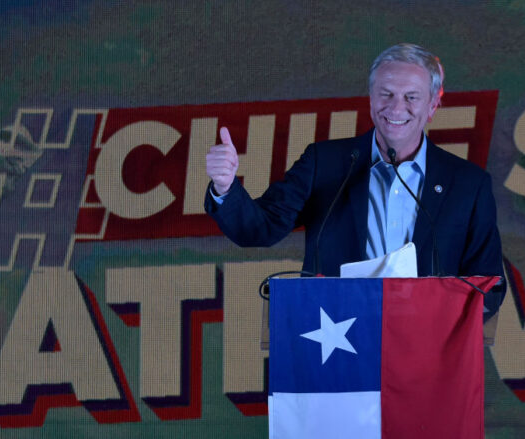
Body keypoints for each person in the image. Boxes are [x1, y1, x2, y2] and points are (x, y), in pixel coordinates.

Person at [204, 43, 505, 319]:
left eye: (411, 97)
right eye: (386, 94)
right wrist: (225, 187)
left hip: (425, 355)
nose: (396, 108)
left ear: (432, 106)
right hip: (338, 346)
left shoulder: (468, 184)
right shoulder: (325, 162)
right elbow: (260, 229)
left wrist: (444, 331)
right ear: (371, 98)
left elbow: (488, 285)